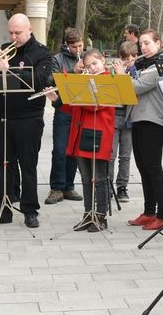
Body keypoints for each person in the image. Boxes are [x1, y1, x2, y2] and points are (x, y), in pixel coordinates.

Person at [0, 14, 53, 228]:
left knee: (28, 166)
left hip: (29, 118)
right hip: (2, 116)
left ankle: (30, 210)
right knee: (3, 165)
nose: (13, 37)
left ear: (29, 29)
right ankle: (2, 210)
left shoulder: (42, 53)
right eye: (10, 32)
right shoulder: (5, 49)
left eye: (18, 33)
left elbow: (39, 81)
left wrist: (9, 69)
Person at [45, 49, 115, 232]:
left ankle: (100, 217)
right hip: (82, 134)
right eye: (88, 66)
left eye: (95, 64)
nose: (92, 68)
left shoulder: (109, 80)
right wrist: (57, 100)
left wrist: (77, 90)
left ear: (103, 60)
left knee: (98, 178)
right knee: (85, 177)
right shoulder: (86, 82)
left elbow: (94, 107)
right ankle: (88, 214)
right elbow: (74, 108)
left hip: (99, 135)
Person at [126, 29, 163, 231]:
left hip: (153, 121)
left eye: (147, 43)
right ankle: (149, 212)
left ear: (158, 43)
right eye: (141, 44)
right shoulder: (142, 64)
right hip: (138, 119)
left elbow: (136, 87)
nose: (143, 47)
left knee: (153, 168)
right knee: (143, 168)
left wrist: (121, 75)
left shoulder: (162, 65)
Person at [45, 28, 85, 205]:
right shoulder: (57, 59)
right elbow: (51, 80)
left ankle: (68, 186)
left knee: (74, 151)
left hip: (80, 109)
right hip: (63, 109)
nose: (78, 50)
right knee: (60, 149)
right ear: (67, 45)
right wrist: (72, 71)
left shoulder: (85, 58)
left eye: (80, 46)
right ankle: (56, 188)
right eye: (74, 47)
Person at [109, 41, 138, 203]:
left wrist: (124, 75)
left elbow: (135, 88)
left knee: (125, 156)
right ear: (120, 57)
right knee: (110, 155)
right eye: (124, 59)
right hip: (114, 115)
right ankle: (108, 186)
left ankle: (122, 187)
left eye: (130, 59)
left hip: (129, 118)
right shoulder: (113, 71)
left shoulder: (136, 72)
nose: (127, 62)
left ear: (135, 57)